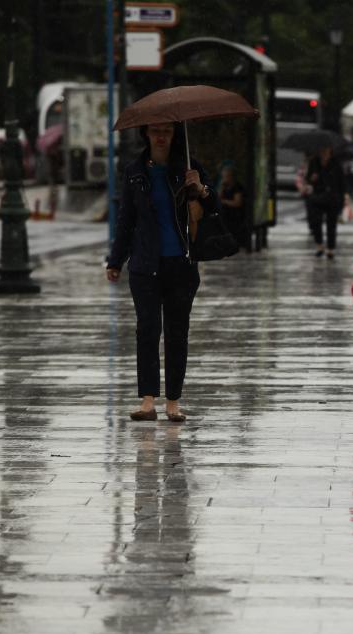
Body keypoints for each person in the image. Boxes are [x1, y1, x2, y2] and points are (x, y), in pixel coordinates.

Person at [105, 121, 219, 422]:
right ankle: (147, 400)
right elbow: (126, 219)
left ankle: (173, 401)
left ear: (173, 135)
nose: (161, 136)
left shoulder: (189, 168)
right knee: (147, 329)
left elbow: (215, 207)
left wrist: (201, 188)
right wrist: (116, 260)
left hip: (181, 263)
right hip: (144, 265)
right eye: (155, 130)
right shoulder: (135, 171)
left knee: (177, 333)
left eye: (167, 131)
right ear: (146, 134)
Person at [305, 145, 345, 259]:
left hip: (332, 198)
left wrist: (342, 199)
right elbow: (308, 179)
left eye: (326, 150)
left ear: (330, 151)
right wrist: (312, 178)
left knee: (331, 224)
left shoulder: (336, 163)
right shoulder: (314, 162)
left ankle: (331, 249)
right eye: (322, 150)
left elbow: (341, 182)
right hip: (317, 197)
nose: (324, 153)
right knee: (316, 222)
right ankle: (319, 246)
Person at [217, 164, 245, 243]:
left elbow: (238, 203)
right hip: (225, 214)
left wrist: (224, 202)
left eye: (226, 176)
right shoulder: (225, 186)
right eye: (223, 177)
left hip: (235, 215)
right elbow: (218, 199)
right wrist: (221, 187)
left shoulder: (237, 187)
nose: (225, 179)